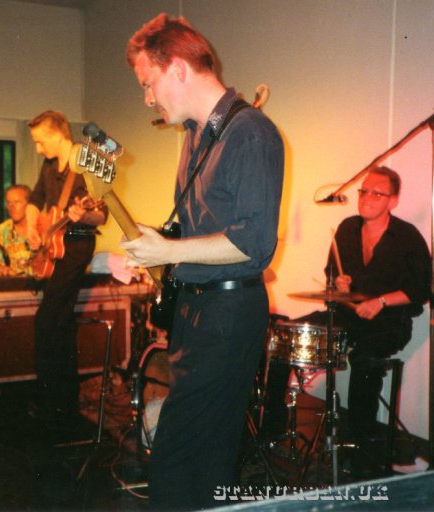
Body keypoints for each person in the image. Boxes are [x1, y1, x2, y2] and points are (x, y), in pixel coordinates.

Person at [123, 14, 284, 510]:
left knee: (180, 457)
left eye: (149, 84)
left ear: (177, 70)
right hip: (196, 313)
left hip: (227, 315)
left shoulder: (250, 132)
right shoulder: (196, 136)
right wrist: (144, 250)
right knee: (197, 460)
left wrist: (168, 252)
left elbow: (254, 244)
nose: (148, 98)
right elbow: (192, 230)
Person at [265, 166, 431, 473]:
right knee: (285, 337)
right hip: (347, 315)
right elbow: (330, 276)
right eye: (363, 191)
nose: (367, 197)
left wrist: (381, 301)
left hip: (389, 322)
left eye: (376, 193)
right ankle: (270, 431)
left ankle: (360, 451)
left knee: (365, 360)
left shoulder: (407, 236)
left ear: (392, 201)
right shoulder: (346, 228)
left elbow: (421, 290)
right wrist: (339, 285)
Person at [25, 110, 107, 424]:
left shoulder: (85, 164)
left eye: (40, 141)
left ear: (58, 135)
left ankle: (50, 397)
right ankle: (62, 405)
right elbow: (35, 199)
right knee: (58, 322)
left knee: (47, 318)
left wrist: (82, 215)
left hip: (76, 245)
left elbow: (101, 215)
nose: (37, 148)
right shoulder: (48, 167)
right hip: (54, 246)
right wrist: (35, 228)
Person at [0, 184, 33, 277]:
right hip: (16, 286)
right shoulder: (3, 230)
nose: (11, 207)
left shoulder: (43, 226)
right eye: (8, 203)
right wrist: (0, 269)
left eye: (17, 202)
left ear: (29, 204)